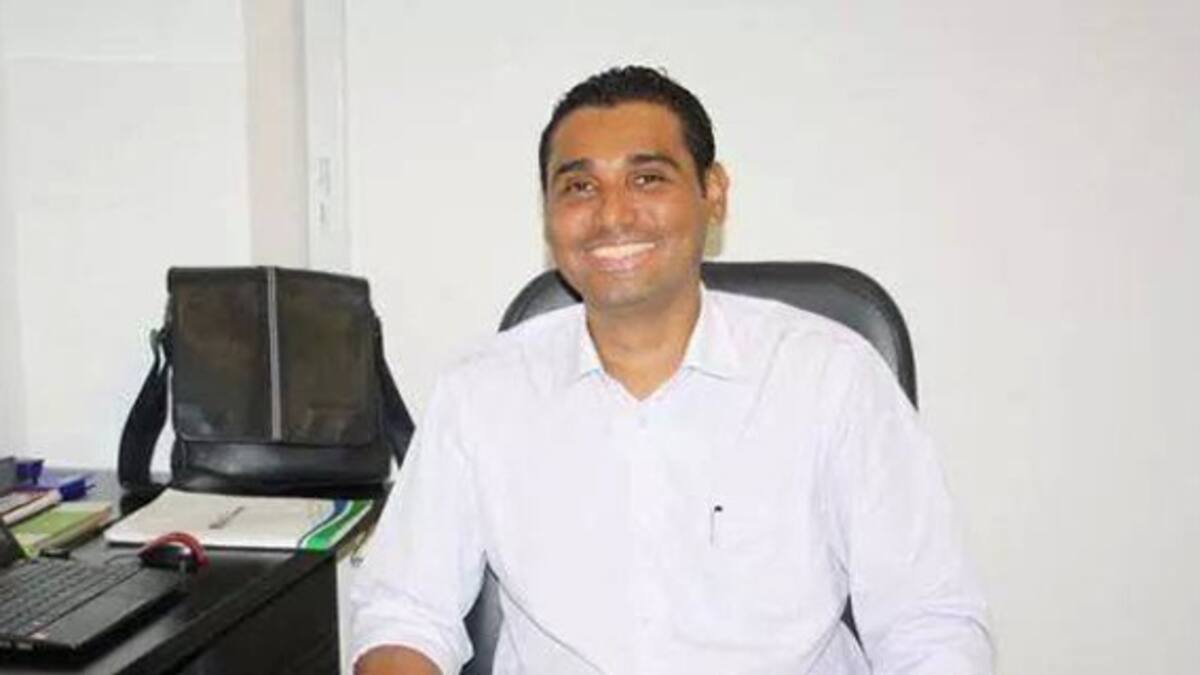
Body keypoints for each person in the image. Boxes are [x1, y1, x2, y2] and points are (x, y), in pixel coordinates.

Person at [351, 65, 993, 675]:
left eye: (647, 178)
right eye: (579, 187)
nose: (612, 215)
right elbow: (405, 613)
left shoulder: (831, 377)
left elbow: (927, 625)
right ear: (548, 213)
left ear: (713, 194)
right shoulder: (481, 393)